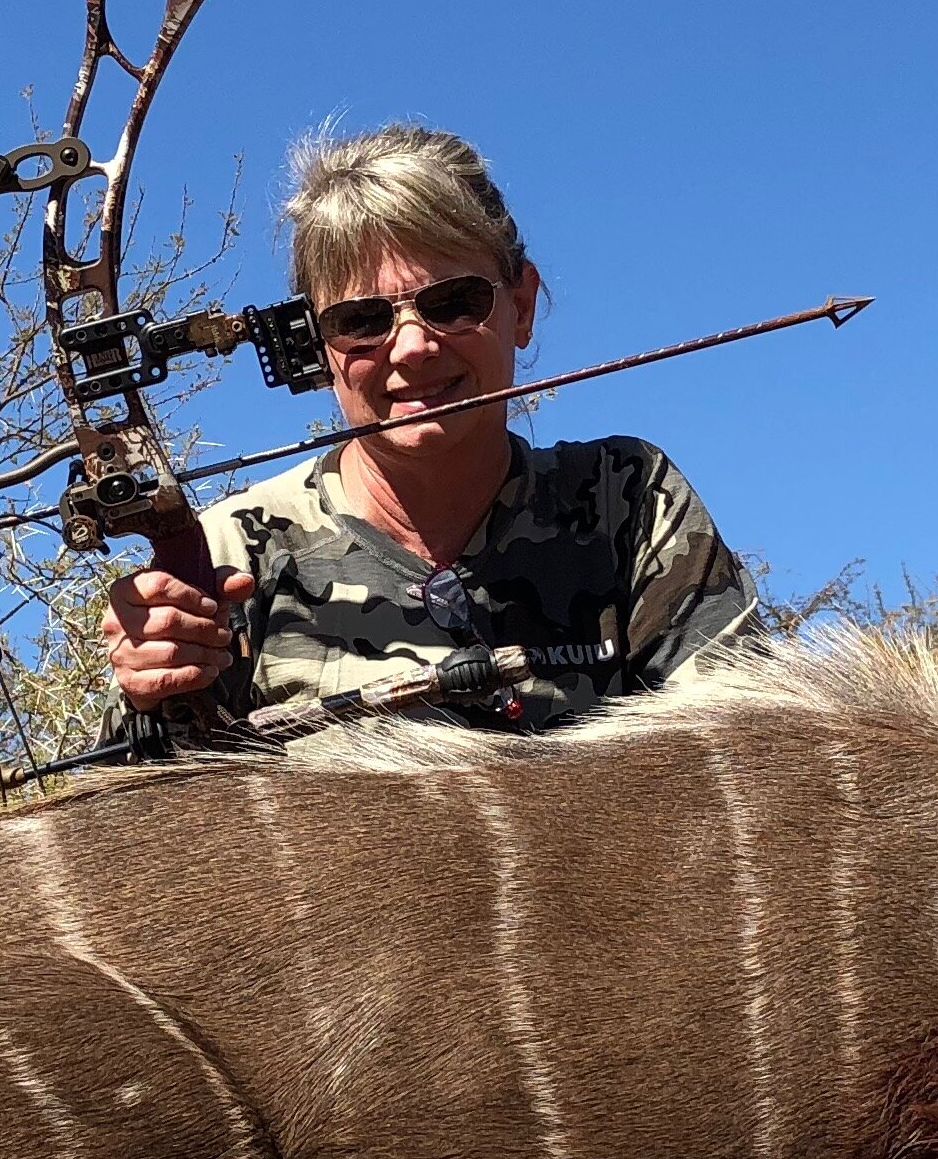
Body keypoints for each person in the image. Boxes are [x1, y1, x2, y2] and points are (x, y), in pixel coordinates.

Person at [102, 125, 758, 735]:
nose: (412, 346)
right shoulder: (227, 554)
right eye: (361, 320)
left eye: (453, 303)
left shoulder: (629, 499)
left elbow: (741, 763)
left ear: (521, 306)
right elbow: (162, 825)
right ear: (314, 345)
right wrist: (149, 693)